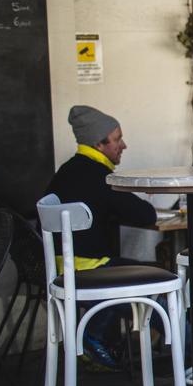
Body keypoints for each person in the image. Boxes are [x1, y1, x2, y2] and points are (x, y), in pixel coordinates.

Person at [46, 105, 158, 370]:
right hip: (88, 269)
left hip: (61, 268)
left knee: (129, 266)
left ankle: (99, 340)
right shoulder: (99, 176)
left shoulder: (66, 171)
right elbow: (146, 215)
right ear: (99, 143)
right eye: (117, 139)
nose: (124, 145)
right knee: (159, 284)